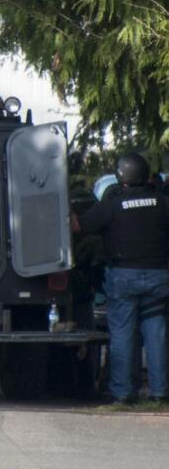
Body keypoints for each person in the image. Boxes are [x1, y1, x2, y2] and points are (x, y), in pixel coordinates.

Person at [72, 152, 169, 404]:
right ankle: (160, 393)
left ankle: (123, 394)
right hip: (159, 277)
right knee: (156, 333)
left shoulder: (112, 205)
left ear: (120, 176)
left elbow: (78, 227)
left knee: (123, 334)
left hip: (123, 277)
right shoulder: (163, 203)